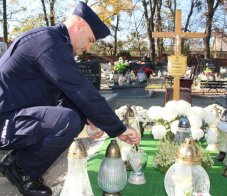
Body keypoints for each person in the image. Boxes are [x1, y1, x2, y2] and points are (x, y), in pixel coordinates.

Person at [0, 2, 140, 196]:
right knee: (68, 121)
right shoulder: (48, 43)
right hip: (4, 120)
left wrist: (91, 116)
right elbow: (81, 90)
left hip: (14, 114)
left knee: (77, 112)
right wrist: (119, 128)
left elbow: (68, 95)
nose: (88, 47)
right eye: (90, 40)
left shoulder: (54, 41)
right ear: (79, 25)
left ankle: (17, 161)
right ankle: (23, 170)